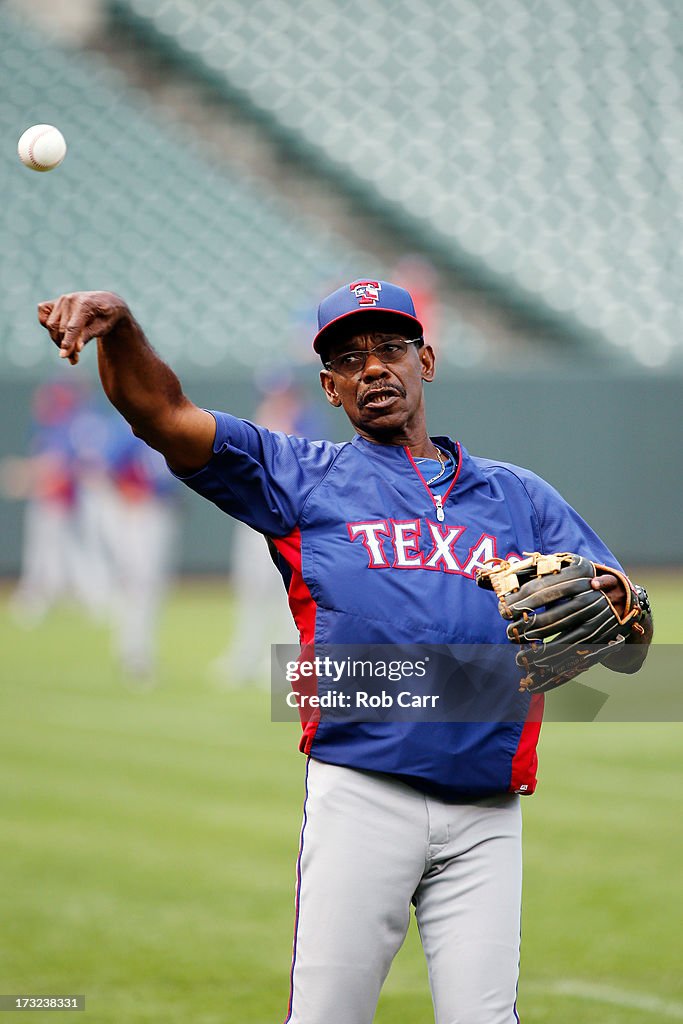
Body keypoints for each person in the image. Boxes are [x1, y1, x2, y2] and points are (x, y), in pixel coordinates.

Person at [38, 281, 652, 1024]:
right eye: (348, 359)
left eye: (389, 349)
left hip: (488, 810)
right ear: (329, 388)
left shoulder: (518, 497)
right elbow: (162, 417)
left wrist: (628, 617)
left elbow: (623, 641)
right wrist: (123, 329)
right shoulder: (299, 476)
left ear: (425, 359)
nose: (372, 369)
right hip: (363, 797)